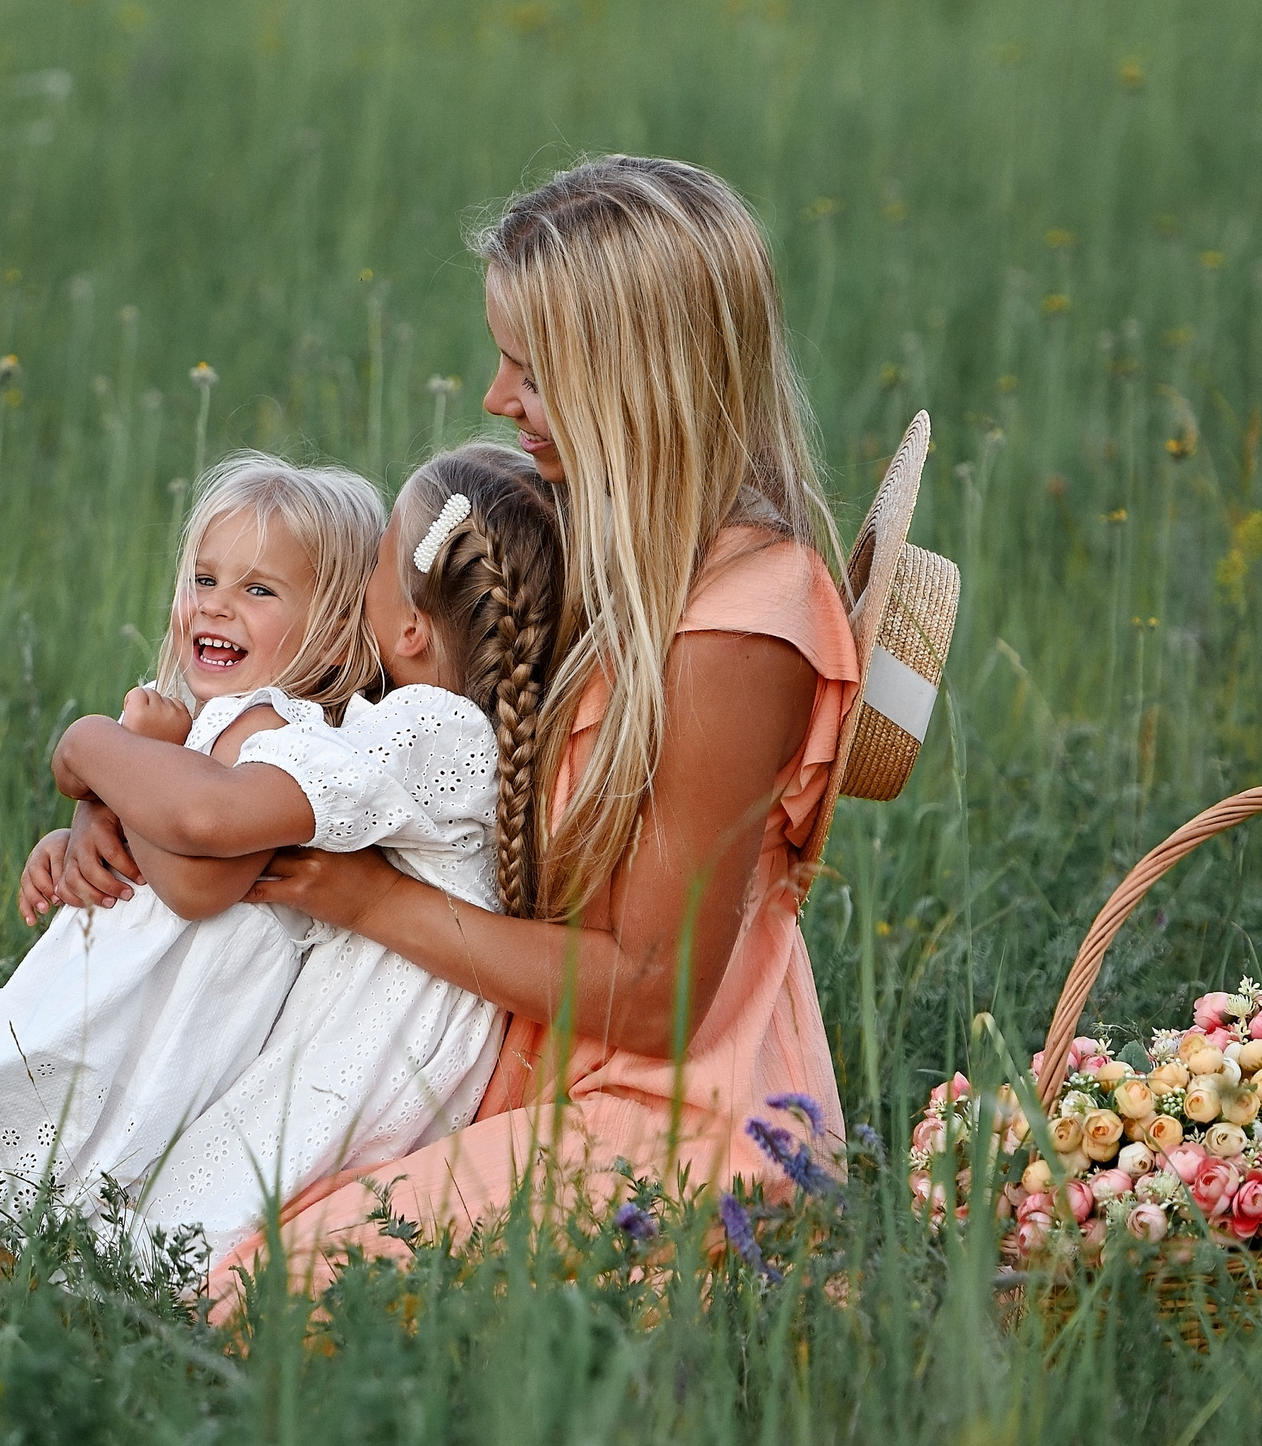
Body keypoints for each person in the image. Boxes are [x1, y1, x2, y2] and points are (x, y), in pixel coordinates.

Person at [203, 155, 861, 1303]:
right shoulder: (610, 550)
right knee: (184, 1196)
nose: (499, 397)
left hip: (669, 1124)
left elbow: (652, 1003)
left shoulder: (736, 632)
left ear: (635, 383)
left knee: (250, 1284)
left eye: (534, 372)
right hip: (531, 1064)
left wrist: (374, 902)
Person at [0, 452, 385, 1222]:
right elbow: (155, 849)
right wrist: (81, 832)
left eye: (258, 589)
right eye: (204, 580)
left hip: (125, 1055)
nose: (216, 606)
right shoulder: (212, 729)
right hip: (89, 1022)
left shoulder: (279, 738)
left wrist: (122, 759)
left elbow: (196, 883)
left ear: (337, 627)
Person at [54, 443, 565, 1266]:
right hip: (363, 1022)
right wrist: (103, 812)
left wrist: (89, 749)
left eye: (376, 566)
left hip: (373, 1042)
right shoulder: (419, 726)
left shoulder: (428, 729)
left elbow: (213, 819)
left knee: (187, 1229)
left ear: (406, 624)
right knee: (175, 1208)